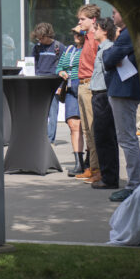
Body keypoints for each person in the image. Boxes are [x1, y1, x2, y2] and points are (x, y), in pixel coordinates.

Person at [102, 10, 140, 202]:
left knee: (127, 139)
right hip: (122, 90)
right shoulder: (126, 34)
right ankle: (135, 183)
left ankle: (135, 185)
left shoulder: (128, 34)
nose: (113, 16)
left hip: (124, 91)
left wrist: (110, 54)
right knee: (126, 138)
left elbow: (108, 58)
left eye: (115, 12)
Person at [88, 18, 120, 189]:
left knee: (104, 137)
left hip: (103, 95)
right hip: (100, 95)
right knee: (103, 136)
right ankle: (108, 175)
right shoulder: (103, 49)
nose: (93, 31)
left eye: (96, 28)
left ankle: (109, 178)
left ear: (105, 31)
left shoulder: (107, 49)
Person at [74, 4, 102, 183]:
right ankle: (92, 167)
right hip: (82, 84)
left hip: (90, 84)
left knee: (93, 129)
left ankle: (98, 169)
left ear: (93, 20)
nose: (79, 22)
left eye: (82, 19)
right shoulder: (87, 37)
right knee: (86, 129)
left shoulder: (96, 37)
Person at [31, 22, 65, 144]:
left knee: (52, 112)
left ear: (48, 35)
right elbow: (32, 64)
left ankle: (49, 139)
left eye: (42, 38)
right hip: (39, 82)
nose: (39, 40)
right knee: (40, 112)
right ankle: (40, 137)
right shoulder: (37, 47)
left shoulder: (59, 47)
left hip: (54, 83)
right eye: (38, 38)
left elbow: (64, 68)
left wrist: (61, 86)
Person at [56, 31, 85, 175]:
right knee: (74, 125)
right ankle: (79, 162)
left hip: (84, 86)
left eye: (79, 33)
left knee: (87, 127)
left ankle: (91, 161)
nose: (75, 35)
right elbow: (59, 67)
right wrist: (61, 72)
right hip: (69, 88)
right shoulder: (69, 49)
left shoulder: (89, 48)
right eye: (73, 33)